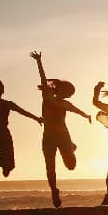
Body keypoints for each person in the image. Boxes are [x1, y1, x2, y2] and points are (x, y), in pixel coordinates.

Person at [31, 51, 91, 207]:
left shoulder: (65, 104)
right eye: (69, 93)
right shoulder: (48, 97)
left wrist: (86, 116)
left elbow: (77, 110)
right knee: (50, 167)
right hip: (48, 138)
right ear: (62, 90)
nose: (69, 96)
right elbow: (43, 80)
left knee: (71, 166)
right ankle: (54, 191)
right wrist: (39, 61)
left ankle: (71, 146)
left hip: (63, 137)